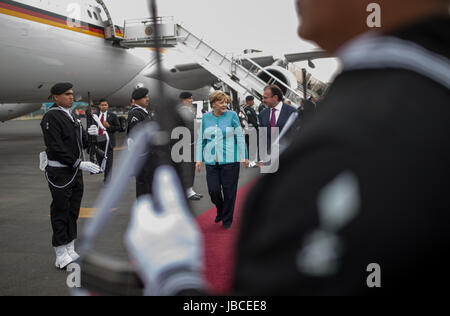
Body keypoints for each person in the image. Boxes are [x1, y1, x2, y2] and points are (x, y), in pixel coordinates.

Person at [125, 0, 450, 296]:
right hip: (214, 159)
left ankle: (224, 218)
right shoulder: (416, 100)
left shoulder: (347, 140)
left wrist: (175, 282)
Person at [40, 83, 100, 269]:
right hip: (60, 173)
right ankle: (60, 253)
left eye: (72, 94)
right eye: (67, 94)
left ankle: (70, 246)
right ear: (55, 97)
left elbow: (80, 144)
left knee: (73, 210)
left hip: (74, 171)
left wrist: (89, 135)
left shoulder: (72, 115)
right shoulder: (51, 117)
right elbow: (56, 147)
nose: (71, 97)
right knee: (60, 211)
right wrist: (79, 163)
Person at [195, 91, 249, 229]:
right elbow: (201, 138)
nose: (225, 104)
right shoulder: (206, 117)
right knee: (213, 190)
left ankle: (227, 219)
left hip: (230, 160)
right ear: (213, 104)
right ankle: (220, 209)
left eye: (226, 102)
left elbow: (239, 136)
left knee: (229, 192)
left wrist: (245, 155)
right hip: (211, 160)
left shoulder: (232, 116)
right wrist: (198, 159)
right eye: (221, 102)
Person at [126, 87, 157, 198]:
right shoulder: (135, 114)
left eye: (147, 96)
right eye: (144, 97)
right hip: (143, 156)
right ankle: (143, 210)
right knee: (144, 185)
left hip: (149, 156)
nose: (147, 99)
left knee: (149, 185)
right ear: (137, 99)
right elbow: (137, 137)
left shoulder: (144, 112)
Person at [258, 85, 298, 163]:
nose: (262, 100)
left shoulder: (292, 112)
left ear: (275, 97)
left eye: (265, 97)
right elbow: (262, 138)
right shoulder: (263, 114)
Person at [176, 92, 203, 201]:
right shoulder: (180, 112)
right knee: (186, 168)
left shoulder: (189, 110)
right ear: (183, 100)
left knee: (190, 167)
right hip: (183, 145)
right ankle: (186, 191)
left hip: (191, 144)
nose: (191, 101)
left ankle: (189, 190)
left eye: (192, 99)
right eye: (189, 99)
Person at [96, 99, 121, 184]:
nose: (104, 106)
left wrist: (109, 126)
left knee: (109, 162)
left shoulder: (112, 115)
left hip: (108, 142)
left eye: (105, 105)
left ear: (108, 106)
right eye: (102, 105)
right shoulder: (95, 115)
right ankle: (103, 169)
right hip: (98, 140)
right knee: (99, 159)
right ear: (99, 106)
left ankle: (107, 179)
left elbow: (118, 127)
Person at [243, 96, 259, 167]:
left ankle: (251, 161)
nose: (253, 102)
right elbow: (252, 120)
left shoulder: (249, 108)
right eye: (252, 100)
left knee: (252, 146)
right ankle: (251, 162)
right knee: (251, 146)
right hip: (250, 130)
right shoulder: (247, 109)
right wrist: (257, 127)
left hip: (251, 130)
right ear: (248, 101)